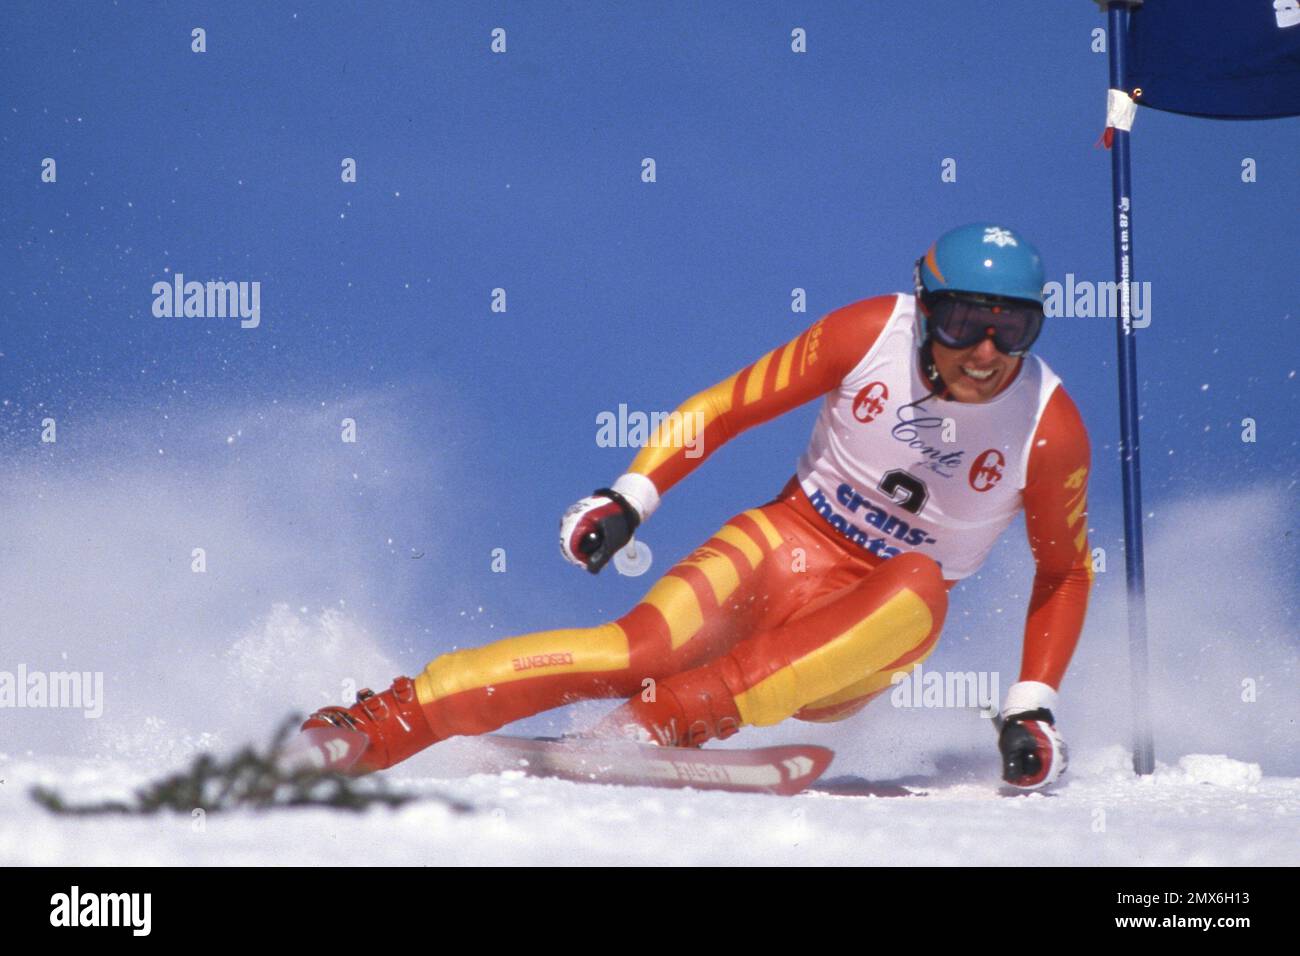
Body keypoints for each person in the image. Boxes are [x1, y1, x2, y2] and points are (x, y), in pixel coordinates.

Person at [303, 222, 1093, 791]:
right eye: (963, 323)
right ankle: (378, 726)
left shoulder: (1048, 427)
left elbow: (1063, 573)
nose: (985, 354)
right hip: (782, 545)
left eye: (1011, 329)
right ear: (925, 308)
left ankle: (666, 721)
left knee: (920, 580)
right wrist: (629, 494)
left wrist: (1033, 709)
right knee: (636, 652)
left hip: (869, 631)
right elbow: (727, 406)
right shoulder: (867, 334)